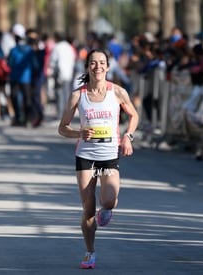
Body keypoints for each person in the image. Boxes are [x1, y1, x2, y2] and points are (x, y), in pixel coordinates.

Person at [58, 49, 139, 269]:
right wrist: (79, 133)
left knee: (109, 201)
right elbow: (62, 128)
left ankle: (108, 209)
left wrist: (128, 137)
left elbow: (134, 115)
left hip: (109, 156)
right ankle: (90, 252)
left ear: (108, 66)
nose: (98, 67)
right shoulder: (78, 95)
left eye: (102, 63)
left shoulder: (118, 92)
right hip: (85, 155)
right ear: (87, 67)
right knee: (88, 208)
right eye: (93, 63)